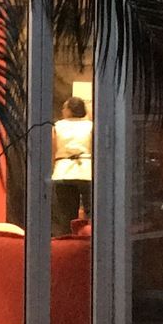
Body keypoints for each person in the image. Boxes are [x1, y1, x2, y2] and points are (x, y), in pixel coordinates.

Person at [52, 96, 92, 229]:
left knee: (66, 215)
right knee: (91, 211)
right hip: (87, 170)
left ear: (69, 110)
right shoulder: (90, 126)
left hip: (63, 171)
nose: (62, 110)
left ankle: (67, 237)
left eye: (64, 107)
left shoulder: (58, 126)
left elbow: (53, 149)